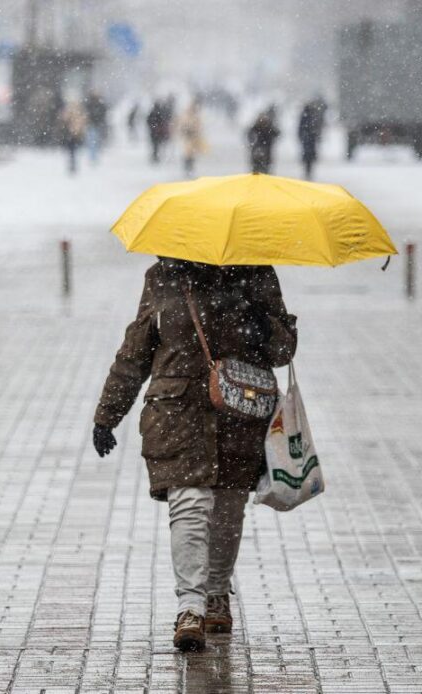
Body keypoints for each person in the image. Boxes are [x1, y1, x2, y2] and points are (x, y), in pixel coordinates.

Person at [92, 258, 298, 651]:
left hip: (238, 414)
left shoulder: (256, 273)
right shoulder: (163, 277)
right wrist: (107, 416)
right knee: (188, 504)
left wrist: (261, 323)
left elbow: (283, 349)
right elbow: (135, 352)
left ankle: (218, 591)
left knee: (228, 509)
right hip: (177, 411)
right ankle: (191, 607)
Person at [297, 97, 327, 180]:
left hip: (309, 137)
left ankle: (308, 170)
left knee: (309, 154)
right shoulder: (309, 114)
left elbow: (317, 125)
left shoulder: (309, 114)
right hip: (308, 137)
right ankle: (308, 170)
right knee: (308, 154)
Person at [247, 108, 281, 174]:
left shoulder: (268, 127)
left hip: (264, 152)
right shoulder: (258, 127)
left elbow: (277, 133)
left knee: (263, 169)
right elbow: (250, 136)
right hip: (259, 152)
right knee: (259, 169)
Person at [177, 102, 205, 177]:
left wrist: (196, 132)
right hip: (187, 138)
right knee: (187, 153)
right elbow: (181, 126)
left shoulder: (195, 117)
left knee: (192, 154)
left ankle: (190, 168)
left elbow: (199, 127)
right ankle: (187, 168)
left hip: (193, 138)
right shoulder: (185, 116)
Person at [60, 100, 88, 175]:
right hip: (72, 134)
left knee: (72, 151)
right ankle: (73, 164)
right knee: (72, 151)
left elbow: (82, 122)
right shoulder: (75, 111)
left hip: (73, 134)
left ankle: (73, 164)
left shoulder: (78, 112)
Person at [84, 91, 108, 165]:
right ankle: (92, 157)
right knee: (92, 141)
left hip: (96, 125)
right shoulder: (91, 104)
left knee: (94, 141)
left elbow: (103, 113)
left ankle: (94, 157)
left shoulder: (97, 104)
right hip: (92, 125)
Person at [146, 100, 172, 164]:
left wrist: (153, 128)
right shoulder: (160, 113)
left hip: (154, 133)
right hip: (158, 133)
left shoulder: (152, 113)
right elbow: (163, 122)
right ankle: (156, 156)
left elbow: (148, 121)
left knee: (155, 145)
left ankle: (155, 156)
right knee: (157, 145)